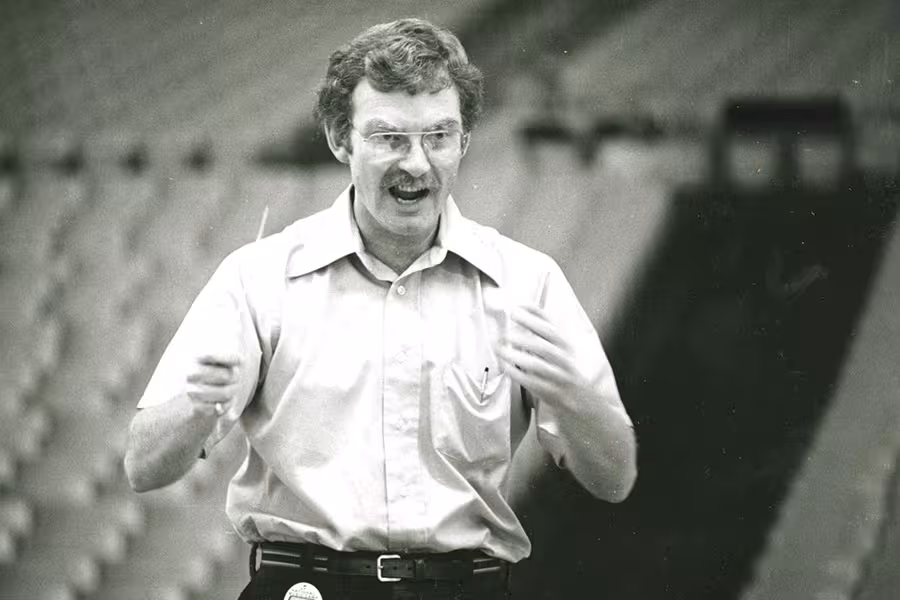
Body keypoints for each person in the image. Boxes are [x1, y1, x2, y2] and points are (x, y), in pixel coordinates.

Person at [124, 18, 637, 600]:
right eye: (390, 138)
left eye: (439, 137)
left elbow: (615, 480)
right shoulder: (258, 278)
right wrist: (197, 405)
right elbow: (144, 466)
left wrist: (577, 401)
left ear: (464, 140)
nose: (417, 163)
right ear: (340, 140)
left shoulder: (529, 283)